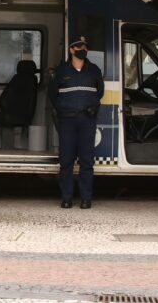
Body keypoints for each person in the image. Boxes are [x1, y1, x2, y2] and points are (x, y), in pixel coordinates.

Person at [48, 36, 104, 210]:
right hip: (67, 121)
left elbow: (99, 92)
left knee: (87, 161)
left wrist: (91, 106)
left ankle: (86, 199)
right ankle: (67, 198)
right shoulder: (61, 71)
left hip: (87, 120)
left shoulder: (94, 70)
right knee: (66, 161)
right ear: (71, 50)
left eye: (85, 47)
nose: (83, 49)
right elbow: (53, 94)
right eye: (79, 47)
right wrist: (64, 109)